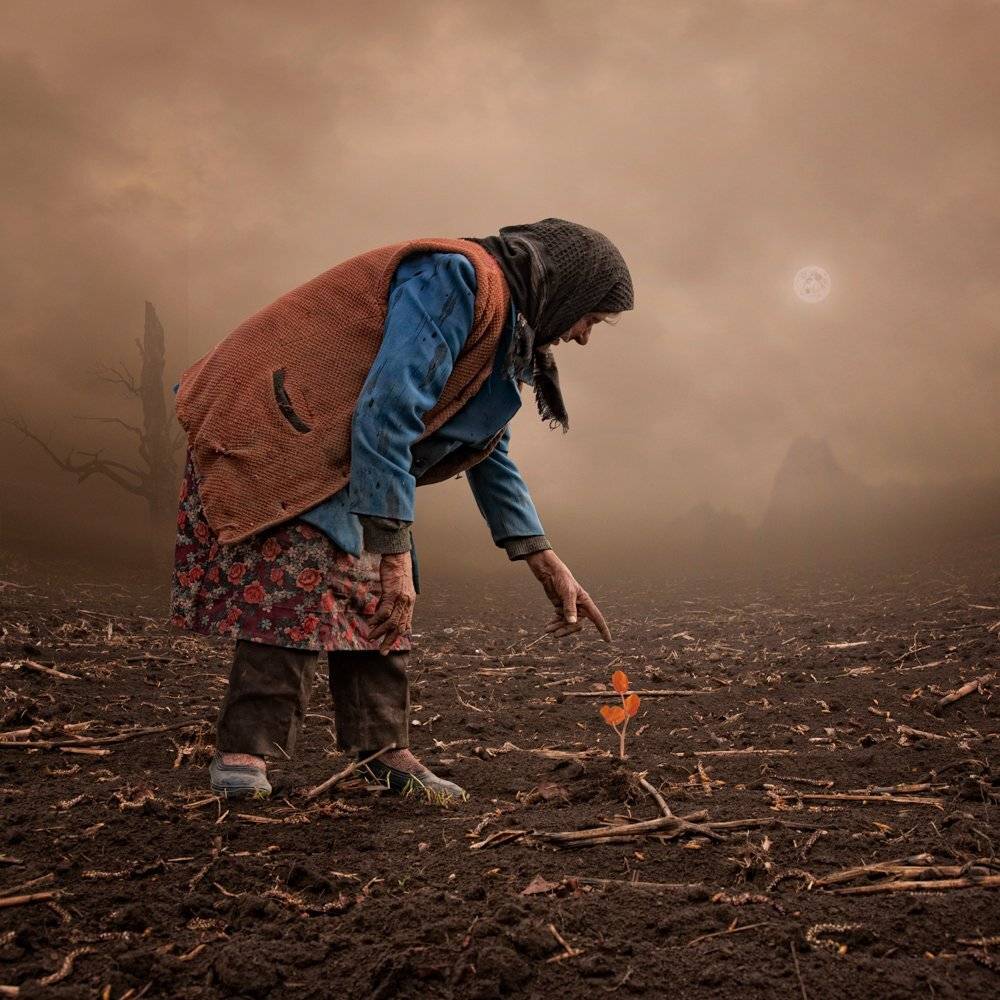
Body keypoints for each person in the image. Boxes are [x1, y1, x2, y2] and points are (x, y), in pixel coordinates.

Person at [170, 218, 634, 800]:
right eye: (592, 318)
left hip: (350, 448)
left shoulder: (510, 330)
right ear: (571, 289)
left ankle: (382, 750)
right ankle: (243, 752)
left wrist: (541, 556)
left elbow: (485, 446)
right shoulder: (455, 278)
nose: (584, 336)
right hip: (286, 432)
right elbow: (389, 409)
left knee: (380, 595)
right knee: (298, 588)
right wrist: (392, 553)